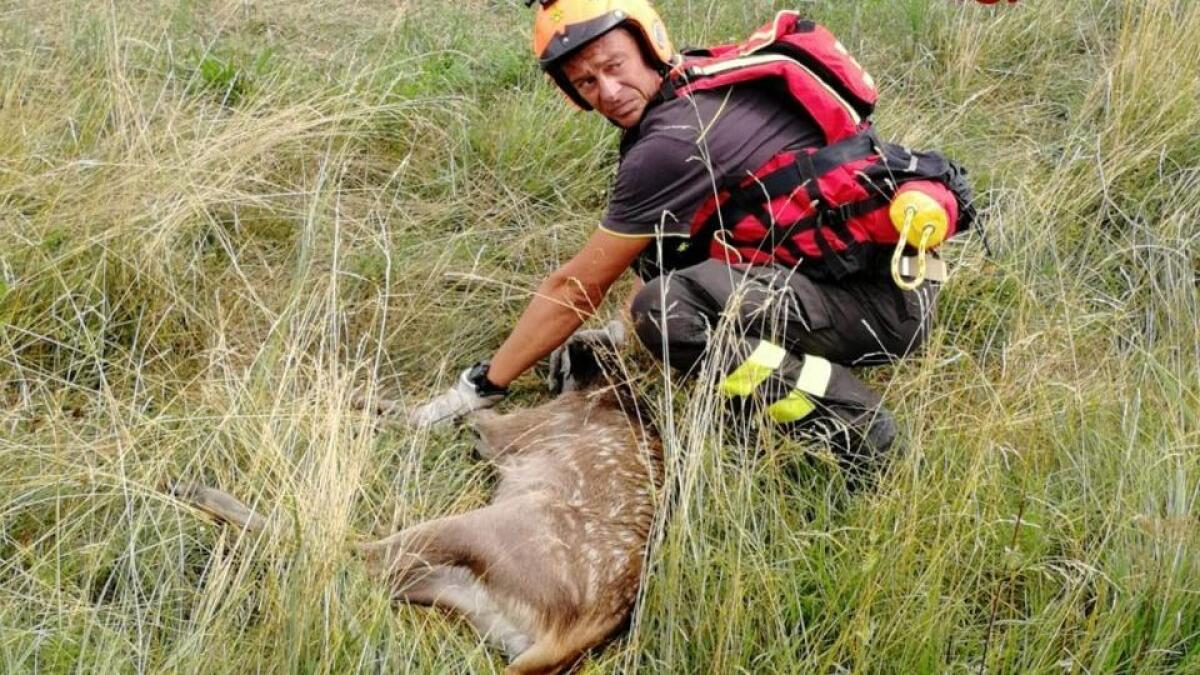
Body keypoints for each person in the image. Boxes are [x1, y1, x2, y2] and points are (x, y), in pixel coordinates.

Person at [409, 0, 953, 473]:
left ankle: (856, 424)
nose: (608, 92)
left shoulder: (669, 145)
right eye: (586, 82)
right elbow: (670, 243)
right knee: (659, 264)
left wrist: (482, 386)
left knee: (665, 312)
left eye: (614, 66)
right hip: (888, 276)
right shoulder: (700, 76)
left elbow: (576, 287)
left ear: (651, 44)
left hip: (882, 310)